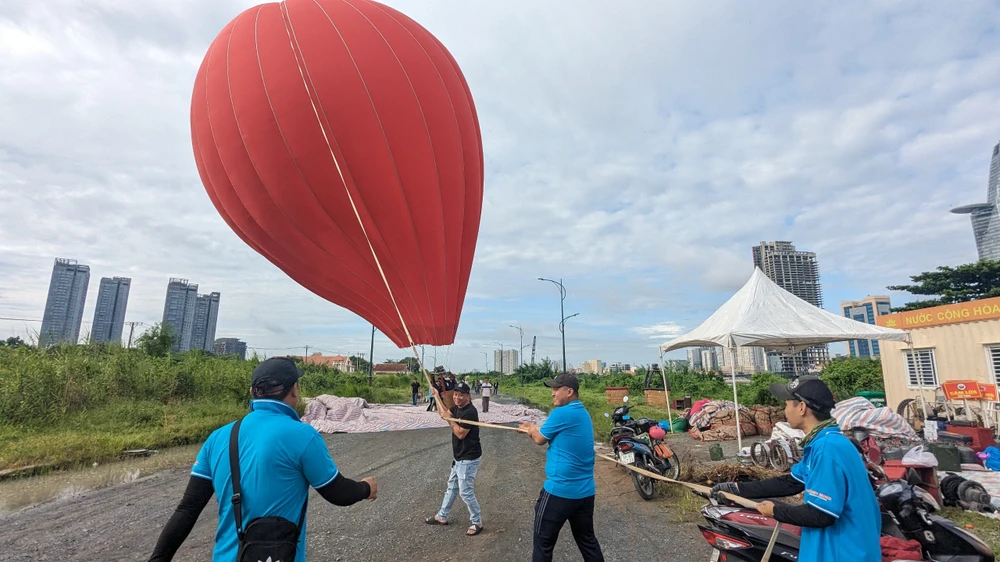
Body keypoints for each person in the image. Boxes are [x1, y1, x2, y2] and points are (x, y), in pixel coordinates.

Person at [148, 357, 378, 562]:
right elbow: (338, 493)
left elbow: (188, 509)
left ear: (252, 392)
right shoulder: (303, 435)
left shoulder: (218, 437)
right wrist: (365, 488)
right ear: (294, 390)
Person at [709, 375, 881, 562]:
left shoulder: (827, 449)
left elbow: (821, 514)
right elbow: (791, 483)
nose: (784, 411)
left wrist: (775, 511)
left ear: (801, 407)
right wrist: (736, 489)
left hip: (843, 553)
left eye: (787, 404)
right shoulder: (824, 442)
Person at [519, 372, 604, 562]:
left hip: (559, 492)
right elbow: (547, 431)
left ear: (569, 391)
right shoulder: (582, 412)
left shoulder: (561, 413)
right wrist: (533, 427)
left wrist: (531, 430)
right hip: (585, 494)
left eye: (557, 389)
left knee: (543, 545)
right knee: (587, 542)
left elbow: (539, 439)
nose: (553, 393)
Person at [425, 381, 485, 536]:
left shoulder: (470, 412)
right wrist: (436, 397)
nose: (457, 398)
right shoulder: (457, 408)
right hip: (459, 456)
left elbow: (460, 433)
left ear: (468, 396)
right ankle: (442, 516)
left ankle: (477, 522)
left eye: (461, 395)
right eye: (456, 394)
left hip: (469, 458)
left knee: (465, 492)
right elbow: (444, 413)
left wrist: (450, 419)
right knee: (452, 487)